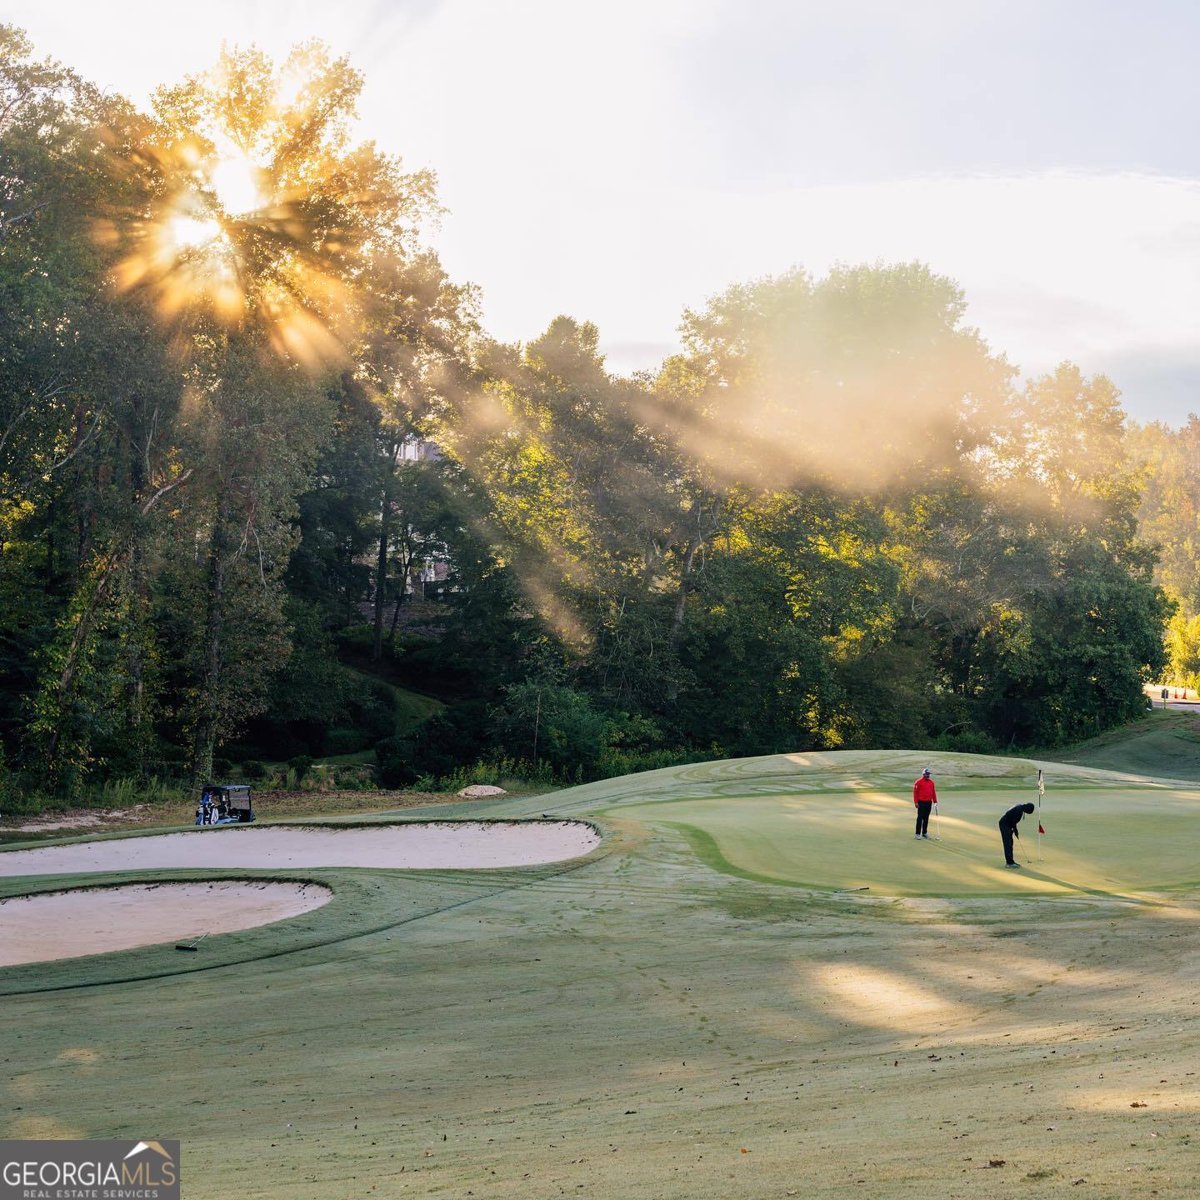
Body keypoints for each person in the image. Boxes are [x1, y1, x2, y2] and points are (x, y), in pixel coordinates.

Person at [999, 802, 1036, 868]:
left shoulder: (1020, 807)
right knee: (1008, 843)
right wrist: (1015, 831)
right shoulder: (1018, 811)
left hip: (1007, 824)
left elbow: (1013, 822)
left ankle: (1011, 861)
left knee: (1010, 843)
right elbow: (1013, 822)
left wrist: (1015, 831)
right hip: (1004, 825)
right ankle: (1009, 863)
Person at [912, 767, 936, 839]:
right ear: (923, 774)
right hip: (921, 802)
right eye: (927, 774)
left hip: (929, 802)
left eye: (929, 774)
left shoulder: (931, 782)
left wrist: (935, 801)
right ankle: (917, 834)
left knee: (926, 818)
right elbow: (915, 793)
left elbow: (933, 792)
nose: (928, 775)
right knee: (920, 818)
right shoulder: (918, 782)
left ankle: (924, 833)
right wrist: (916, 802)